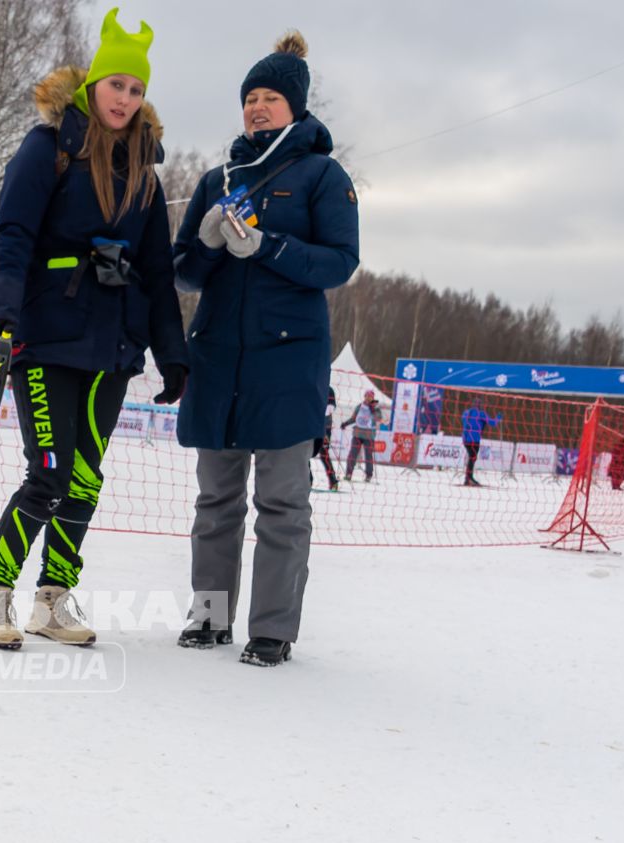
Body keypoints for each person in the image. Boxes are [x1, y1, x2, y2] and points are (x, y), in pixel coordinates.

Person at [0, 8, 189, 649]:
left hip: (114, 349)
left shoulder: (145, 173)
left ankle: (53, 599)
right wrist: (2, 317)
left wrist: (173, 356)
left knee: (85, 480)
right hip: (47, 339)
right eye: (116, 83)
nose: (125, 98)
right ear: (93, 85)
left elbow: (159, 274)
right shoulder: (49, 148)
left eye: (136, 88)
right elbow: (12, 236)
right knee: (50, 475)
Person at [172, 29, 358, 667]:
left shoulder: (322, 176)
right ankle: (209, 619)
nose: (256, 106)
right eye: (250, 96)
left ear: (297, 107)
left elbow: (340, 263)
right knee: (215, 501)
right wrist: (205, 245)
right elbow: (185, 274)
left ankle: (272, 631)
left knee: (281, 504)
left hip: (287, 364)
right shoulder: (217, 178)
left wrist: (269, 247)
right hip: (219, 361)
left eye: (270, 97)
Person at [344, 389, 381, 481]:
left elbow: (378, 419)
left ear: (373, 397)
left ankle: (369, 475)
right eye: (367, 396)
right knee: (353, 454)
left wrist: (373, 410)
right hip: (357, 434)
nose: (368, 398)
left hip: (369, 435)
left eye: (370, 396)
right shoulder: (359, 406)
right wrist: (345, 423)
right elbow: (354, 418)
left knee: (368, 456)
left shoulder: (376, 408)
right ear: (364, 397)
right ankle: (349, 473)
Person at [461, 402, 498, 486]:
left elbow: (464, 421)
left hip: (465, 439)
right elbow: (493, 423)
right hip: (474, 439)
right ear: (479, 406)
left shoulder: (465, 413)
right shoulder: (481, 414)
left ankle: (468, 478)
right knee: (472, 458)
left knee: (471, 457)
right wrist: (498, 418)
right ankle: (469, 478)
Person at [315, 387, 340, 490]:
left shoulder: (329, 389)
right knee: (304, 454)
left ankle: (333, 481)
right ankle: (308, 481)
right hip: (311, 426)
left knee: (324, 454)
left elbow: (331, 408)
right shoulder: (312, 386)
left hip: (325, 427)